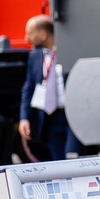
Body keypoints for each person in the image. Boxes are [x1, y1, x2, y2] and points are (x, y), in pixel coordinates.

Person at [17, 15, 80, 161]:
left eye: (29, 33)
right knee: (58, 161)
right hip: (50, 118)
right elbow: (28, 88)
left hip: (73, 116)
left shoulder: (71, 52)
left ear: (43, 35)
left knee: (73, 158)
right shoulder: (34, 57)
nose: (26, 38)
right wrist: (24, 118)